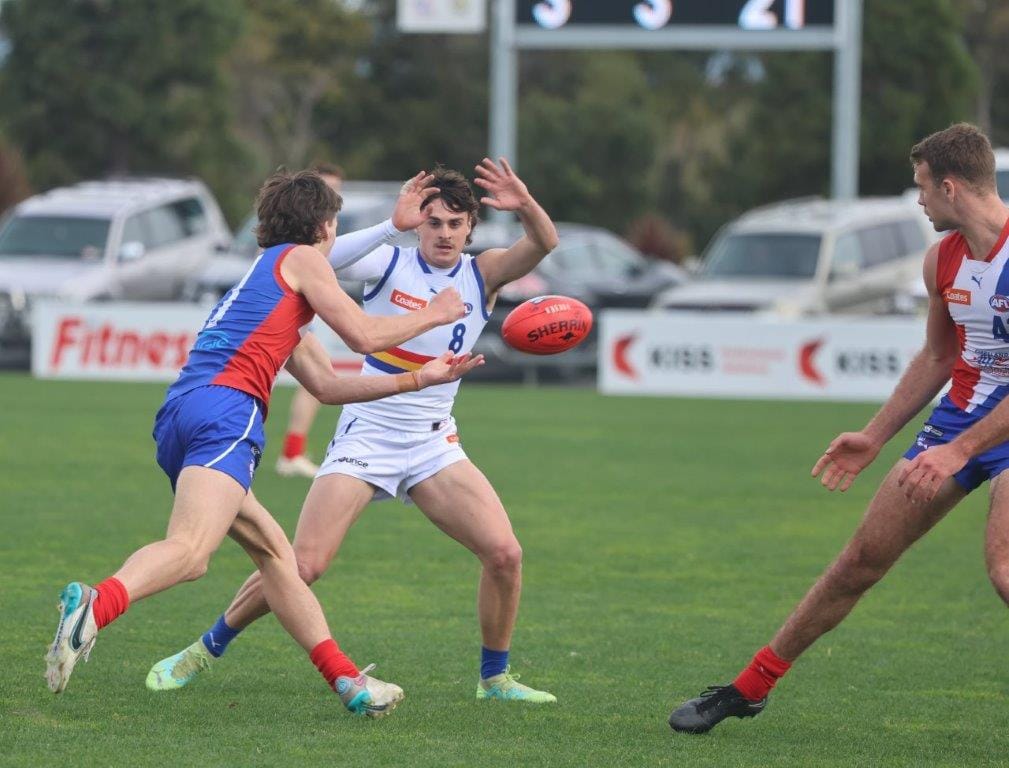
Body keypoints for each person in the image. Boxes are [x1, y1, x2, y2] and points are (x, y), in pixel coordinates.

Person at [45, 168, 482, 719]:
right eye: (335, 223)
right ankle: (94, 604)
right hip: (227, 413)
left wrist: (415, 380)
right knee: (191, 553)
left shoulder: (267, 279)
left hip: (183, 413)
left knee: (278, 556)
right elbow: (365, 336)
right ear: (323, 225)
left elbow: (325, 386)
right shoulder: (299, 261)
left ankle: (349, 683)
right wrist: (436, 314)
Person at [146, 158, 562, 703]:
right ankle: (203, 648)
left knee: (505, 554)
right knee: (303, 564)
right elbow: (308, 258)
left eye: (453, 225)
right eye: (432, 222)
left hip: (435, 439)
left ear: (470, 228)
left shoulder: (481, 274)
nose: (442, 233)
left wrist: (526, 200)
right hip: (368, 431)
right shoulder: (388, 263)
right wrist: (393, 225)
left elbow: (544, 242)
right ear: (420, 224)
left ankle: (495, 678)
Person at [668, 122, 1009, 734]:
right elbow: (937, 357)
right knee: (860, 561)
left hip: (988, 435)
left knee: (1004, 569)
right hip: (958, 421)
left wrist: (961, 450)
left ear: (952, 188)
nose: (919, 200)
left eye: (923, 188)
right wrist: (875, 436)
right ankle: (751, 687)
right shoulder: (944, 259)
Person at [276, 162, 347, 478]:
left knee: (320, 377)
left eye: (336, 189)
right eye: (325, 187)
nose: (331, 195)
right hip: (285, 309)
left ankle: (292, 452)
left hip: (300, 310)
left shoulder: (327, 224)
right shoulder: (301, 227)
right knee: (317, 377)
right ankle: (290, 455)